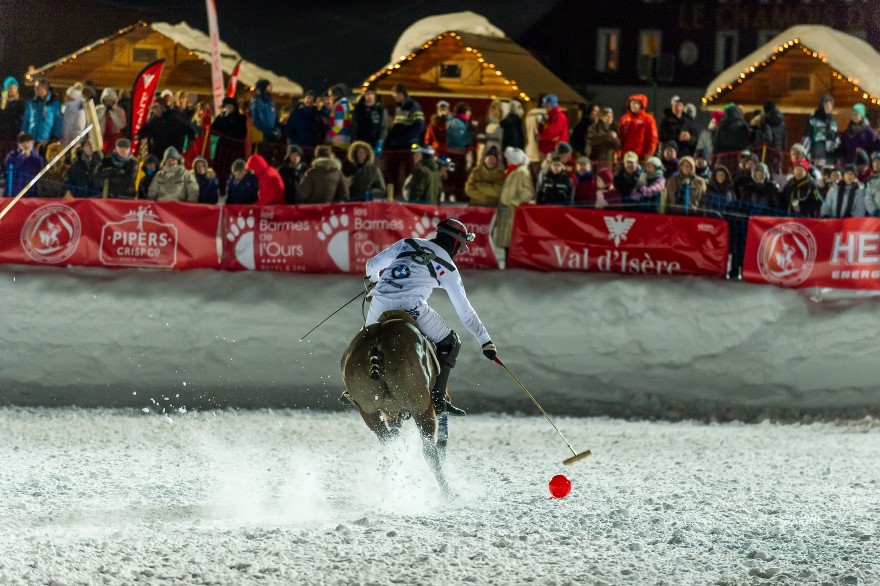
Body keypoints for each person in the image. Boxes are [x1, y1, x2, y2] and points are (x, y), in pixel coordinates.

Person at [360, 218, 495, 415]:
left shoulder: (408, 243)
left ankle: (351, 389)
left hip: (379, 303)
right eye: (460, 248)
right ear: (456, 243)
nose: (458, 253)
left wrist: (375, 282)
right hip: (410, 307)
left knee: (364, 341)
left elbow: (371, 264)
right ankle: (439, 397)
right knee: (450, 342)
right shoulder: (448, 267)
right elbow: (465, 311)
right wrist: (486, 341)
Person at [493, 147, 534, 254]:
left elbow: (528, 192)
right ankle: (507, 262)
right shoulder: (512, 171)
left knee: (510, 239)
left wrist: (514, 202)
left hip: (512, 210)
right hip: (505, 209)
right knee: (506, 239)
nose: (507, 161)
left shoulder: (522, 172)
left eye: (509, 159)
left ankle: (509, 263)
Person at [618, 93, 658, 161]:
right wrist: (618, 153)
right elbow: (620, 137)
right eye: (633, 103)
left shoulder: (648, 119)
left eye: (637, 103)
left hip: (641, 156)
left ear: (641, 105)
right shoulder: (624, 118)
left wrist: (649, 153)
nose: (634, 106)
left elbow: (653, 138)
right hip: (626, 155)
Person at [385, 83, 425, 150]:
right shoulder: (399, 107)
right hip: (398, 144)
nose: (393, 96)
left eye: (394, 93)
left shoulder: (413, 106)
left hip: (408, 145)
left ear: (400, 93)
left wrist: (406, 138)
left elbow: (420, 126)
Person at [4, 132, 45, 197]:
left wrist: (31, 156)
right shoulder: (12, 155)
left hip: (31, 194)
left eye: (28, 142)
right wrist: (22, 156)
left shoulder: (38, 159)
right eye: (22, 142)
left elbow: (40, 170)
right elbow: (9, 168)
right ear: (18, 144)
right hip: (14, 194)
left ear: (33, 142)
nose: (26, 144)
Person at [350, 88, 388, 156]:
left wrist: (380, 142)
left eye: (372, 94)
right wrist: (353, 142)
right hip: (360, 144)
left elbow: (384, 127)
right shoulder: (358, 109)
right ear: (364, 95)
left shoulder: (380, 109)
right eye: (367, 94)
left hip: (374, 144)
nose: (369, 96)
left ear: (375, 96)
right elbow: (354, 127)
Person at [803, 95, 839, 165]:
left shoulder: (833, 122)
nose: (828, 107)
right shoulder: (813, 121)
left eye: (831, 105)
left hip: (830, 156)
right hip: (815, 156)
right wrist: (805, 155)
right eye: (826, 104)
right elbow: (806, 139)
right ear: (821, 106)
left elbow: (836, 138)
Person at [95, 88, 127, 154]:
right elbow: (94, 122)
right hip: (101, 137)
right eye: (107, 100)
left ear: (114, 100)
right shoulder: (98, 109)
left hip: (115, 138)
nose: (108, 102)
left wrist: (113, 113)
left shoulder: (119, 110)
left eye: (110, 100)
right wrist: (102, 112)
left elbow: (121, 125)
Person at [323, 83, 352, 147]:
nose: (329, 98)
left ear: (336, 96)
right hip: (346, 139)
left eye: (330, 96)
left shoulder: (339, 107)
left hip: (338, 141)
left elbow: (338, 126)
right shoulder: (346, 105)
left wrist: (328, 137)